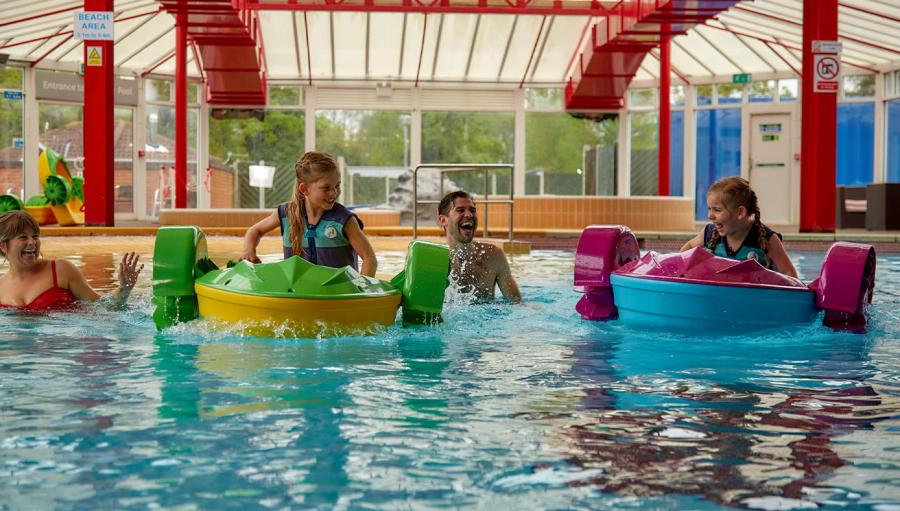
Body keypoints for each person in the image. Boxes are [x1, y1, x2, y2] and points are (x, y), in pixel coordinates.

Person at [241, 151, 377, 277]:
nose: (334, 193)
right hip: (299, 291)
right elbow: (255, 231)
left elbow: (369, 258)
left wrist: (361, 288)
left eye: (337, 185)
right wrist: (248, 251)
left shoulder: (343, 220)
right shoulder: (286, 214)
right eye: (326, 188)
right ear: (305, 189)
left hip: (338, 292)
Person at [0, 211, 142, 310]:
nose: (32, 242)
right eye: (23, 237)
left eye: (35, 236)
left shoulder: (60, 270)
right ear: (3, 246)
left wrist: (125, 288)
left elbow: (102, 306)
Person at [680, 176, 797, 278]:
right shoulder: (710, 233)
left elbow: (789, 274)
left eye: (717, 210)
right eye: (709, 208)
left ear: (740, 212)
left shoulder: (766, 239)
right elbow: (688, 248)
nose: (710, 215)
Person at [438, 190, 521, 302]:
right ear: (443, 220)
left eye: (472, 210)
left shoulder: (493, 256)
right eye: (460, 210)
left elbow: (516, 302)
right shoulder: (434, 260)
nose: (469, 215)